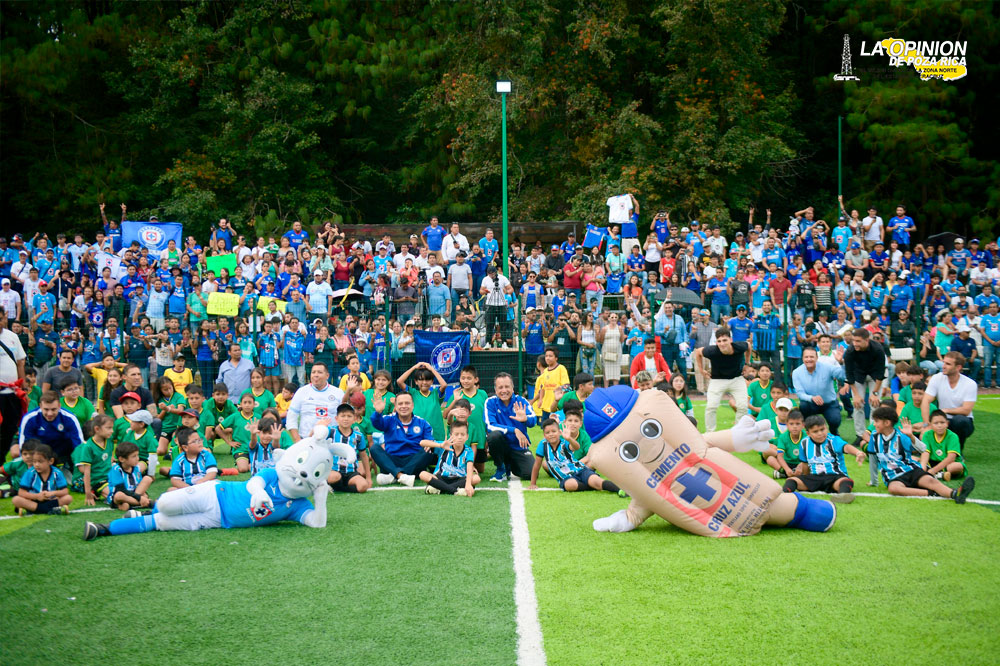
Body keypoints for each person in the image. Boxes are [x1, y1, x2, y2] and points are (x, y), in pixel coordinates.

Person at [865, 406, 974, 502]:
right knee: (893, 489)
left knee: (930, 481)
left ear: (887, 423)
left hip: (911, 470)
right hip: (893, 477)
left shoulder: (901, 436)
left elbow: (923, 449)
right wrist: (874, 481)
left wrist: (911, 436)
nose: (874, 424)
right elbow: (873, 459)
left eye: (876, 421)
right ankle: (931, 493)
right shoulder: (874, 437)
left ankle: (955, 493)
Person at [529, 417, 623, 494]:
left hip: (580, 470)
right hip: (566, 477)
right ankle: (591, 486)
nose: (551, 434)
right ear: (544, 435)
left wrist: (569, 438)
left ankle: (621, 489)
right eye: (547, 433)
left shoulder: (564, 442)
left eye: (554, 431)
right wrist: (533, 483)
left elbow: (576, 447)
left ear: (559, 432)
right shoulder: (543, 445)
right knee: (570, 486)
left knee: (596, 481)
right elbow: (537, 464)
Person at [781, 415, 862, 502]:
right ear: (808, 433)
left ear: (826, 428)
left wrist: (857, 453)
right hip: (815, 477)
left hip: (834, 477)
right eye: (815, 431)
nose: (820, 433)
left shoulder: (833, 440)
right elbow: (805, 464)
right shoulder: (804, 443)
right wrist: (806, 478)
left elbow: (846, 447)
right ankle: (784, 495)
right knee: (792, 480)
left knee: (846, 481)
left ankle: (843, 495)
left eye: (822, 429)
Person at [369, 391, 436, 487]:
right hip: (392, 460)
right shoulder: (389, 419)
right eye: (400, 404)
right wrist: (378, 413)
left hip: (413, 461)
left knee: (429, 450)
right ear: (395, 406)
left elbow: (429, 440)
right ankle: (401, 476)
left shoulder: (423, 423)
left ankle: (393, 476)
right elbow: (377, 423)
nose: (404, 406)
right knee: (374, 448)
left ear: (413, 405)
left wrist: (429, 443)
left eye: (407, 403)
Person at [694, 326, 749, 432]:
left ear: (730, 340)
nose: (722, 343)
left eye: (724, 340)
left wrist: (747, 364)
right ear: (716, 342)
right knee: (711, 407)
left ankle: (739, 432)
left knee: (743, 406)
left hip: (737, 379)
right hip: (717, 380)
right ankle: (710, 433)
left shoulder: (740, 346)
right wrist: (701, 370)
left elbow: (749, 346)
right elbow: (698, 352)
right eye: (719, 341)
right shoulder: (712, 351)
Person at [485, 372, 537, 482]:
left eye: (507, 387)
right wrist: (514, 430)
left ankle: (509, 465)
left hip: (519, 447)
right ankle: (501, 469)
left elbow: (533, 420)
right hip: (501, 446)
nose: (504, 390)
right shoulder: (490, 402)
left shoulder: (521, 401)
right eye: (500, 387)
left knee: (531, 474)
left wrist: (525, 419)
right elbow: (490, 425)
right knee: (493, 436)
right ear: (495, 389)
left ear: (512, 388)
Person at [921, 351, 977, 449]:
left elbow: (966, 410)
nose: (943, 366)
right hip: (942, 420)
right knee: (925, 430)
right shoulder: (936, 378)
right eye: (944, 362)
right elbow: (926, 401)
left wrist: (945, 410)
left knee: (959, 421)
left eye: (948, 364)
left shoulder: (970, 384)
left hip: (963, 421)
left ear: (958, 367)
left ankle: (957, 450)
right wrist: (927, 424)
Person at [18, 390, 85, 469]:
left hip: (62, 449)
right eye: (46, 409)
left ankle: (68, 466)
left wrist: (80, 465)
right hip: (39, 449)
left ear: (59, 406)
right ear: (40, 406)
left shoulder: (70, 418)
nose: (49, 413)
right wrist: (32, 464)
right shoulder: (29, 418)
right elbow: (24, 445)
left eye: (53, 409)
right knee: (19, 453)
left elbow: (78, 444)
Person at [443, 366, 488, 475]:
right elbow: (445, 415)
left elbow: (487, 415)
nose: (465, 381)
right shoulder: (457, 395)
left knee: (480, 470)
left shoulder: (482, 394)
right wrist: (455, 400)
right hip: (461, 439)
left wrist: (487, 436)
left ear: (475, 380)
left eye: (469, 378)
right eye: (463, 378)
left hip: (479, 438)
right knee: (461, 465)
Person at [286, 362, 345, 442]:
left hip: (332, 441)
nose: (316, 375)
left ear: (327, 376)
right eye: (313, 372)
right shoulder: (301, 392)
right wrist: (298, 440)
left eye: (319, 372)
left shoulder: (338, 393)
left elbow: (345, 417)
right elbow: (291, 417)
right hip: (306, 440)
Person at [792, 347, 847, 432]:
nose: (809, 359)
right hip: (811, 403)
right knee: (803, 406)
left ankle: (834, 432)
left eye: (811, 357)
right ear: (802, 358)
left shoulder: (827, 367)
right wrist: (812, 398)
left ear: (817, 358)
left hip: (829, 403)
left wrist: (841, 362)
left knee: (835, 420)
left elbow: (843, 376)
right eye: (806, 357)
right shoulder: (796, 372)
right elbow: (800, 393)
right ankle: (809, 432)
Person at [844, 328, 886, 438]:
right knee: (858, 405)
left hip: (875, 376)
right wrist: (856, 395)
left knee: (875, 404)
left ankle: (874, 434)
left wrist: (875, 393)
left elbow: (881, 373)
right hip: (858, 376)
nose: (855, 343)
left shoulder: (878, 349)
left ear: (867, 340)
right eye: (853, 340)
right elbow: (849, 374)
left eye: (858, 341)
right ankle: (860, 435)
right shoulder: (849, 351)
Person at [419, 419, 477, 496]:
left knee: (476, 478)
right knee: (422, 474)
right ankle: (455, 491)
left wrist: (468, 484)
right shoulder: (444, 445)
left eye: (462, 434)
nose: (459, 437)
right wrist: (440, 445)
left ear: (467, 436)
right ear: (451, 435)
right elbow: (422, 443)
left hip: (459, 479)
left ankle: (440, 489)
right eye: (456, 434)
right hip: (441, 478)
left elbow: (469, 467)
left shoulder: (468, 451)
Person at [12, 443, 71, 515]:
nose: (36, 465)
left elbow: (65, 491)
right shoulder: (30, 473)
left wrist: (52, 493)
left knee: (68, 498)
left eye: (40, 461)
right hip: (34, 500)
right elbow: (21, 492)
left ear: (51, 461)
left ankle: (36, 509)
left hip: (50, 500)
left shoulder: (57, 472)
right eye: (34, 461)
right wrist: (37, 496)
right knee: (16, 499)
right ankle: (48, 509)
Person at [0, 308, 28, 462]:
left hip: (12, 393)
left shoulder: (12, 337)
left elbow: (20, 363)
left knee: (10, 428)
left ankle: (2, 463)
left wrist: (23, 389)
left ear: (5, 318)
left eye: (0, 319)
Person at [70, 413, 114, 504]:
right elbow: (86, 471)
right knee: (115, 495)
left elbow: (109, 459)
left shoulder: (109, 440)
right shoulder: (87, 447)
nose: (112, 431)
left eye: (112, 428)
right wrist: (88, 492)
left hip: (107, 477)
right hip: (94, 480)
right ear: (97, 429)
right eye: (108, 428)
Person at [325, 404, 369, 493]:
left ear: (354, 419)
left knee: (363, 486)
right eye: (343, 416)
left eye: (349, 416)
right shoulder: (330, 431)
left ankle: (338, 488)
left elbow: (364, 456)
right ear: (336, 418)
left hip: (351, 472)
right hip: (334, 470)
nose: (346, 419)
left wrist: (368, 477)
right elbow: (314, 440)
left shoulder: (358, 436)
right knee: (334, 477)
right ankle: (331, 484)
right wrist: (319, 427)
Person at [107, 440, 155, 511]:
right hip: (121, 494)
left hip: (134, 494)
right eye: (134, 456)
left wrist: (140, 496)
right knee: (119, 495)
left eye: (137, 455)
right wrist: (140, 498)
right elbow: (121, 490)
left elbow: (139, 486)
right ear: (122, 459)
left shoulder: (136, 468)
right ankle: (146, 502)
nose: (137, 458)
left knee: (148, 478)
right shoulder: (116, 470)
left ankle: (134, 503)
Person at [922, 409, 967, 481]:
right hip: (932, 462)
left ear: (947, 423)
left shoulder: (953, 436)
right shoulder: (927, 435)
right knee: (914, 459)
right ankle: (941, 475)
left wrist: (933, 470)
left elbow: (951, 458)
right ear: (930, 425)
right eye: (936, 423)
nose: (939, 425)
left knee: (957, 466)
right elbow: (925, 453)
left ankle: (937, 474)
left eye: (942, 422)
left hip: (948, 464)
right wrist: (922, 468)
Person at [219, 392, 257, 473]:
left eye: (249, 402)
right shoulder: (235, 416)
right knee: (243, 469)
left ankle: (250, 464)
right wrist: (229, 442)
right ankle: (242, 464)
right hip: (240, 449)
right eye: (245, 402)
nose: (247, 405)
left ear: (254, 404)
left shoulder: (258, 417)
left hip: (256, 449)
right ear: (240, 404)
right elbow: (218, 428)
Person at [774, 409, 807, 479]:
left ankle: (783, 475)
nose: (794, 426)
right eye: (791, 424)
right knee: (770, 459)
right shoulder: (783, 437)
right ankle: (789, 473)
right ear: (787, 425)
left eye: (798, 424)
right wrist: (787, 469)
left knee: (809, 465)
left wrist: (801, 465)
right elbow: (780, 456)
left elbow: (810, 455)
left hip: (802, 462)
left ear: (803, 425)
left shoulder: (807, 437)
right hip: (788, 463)